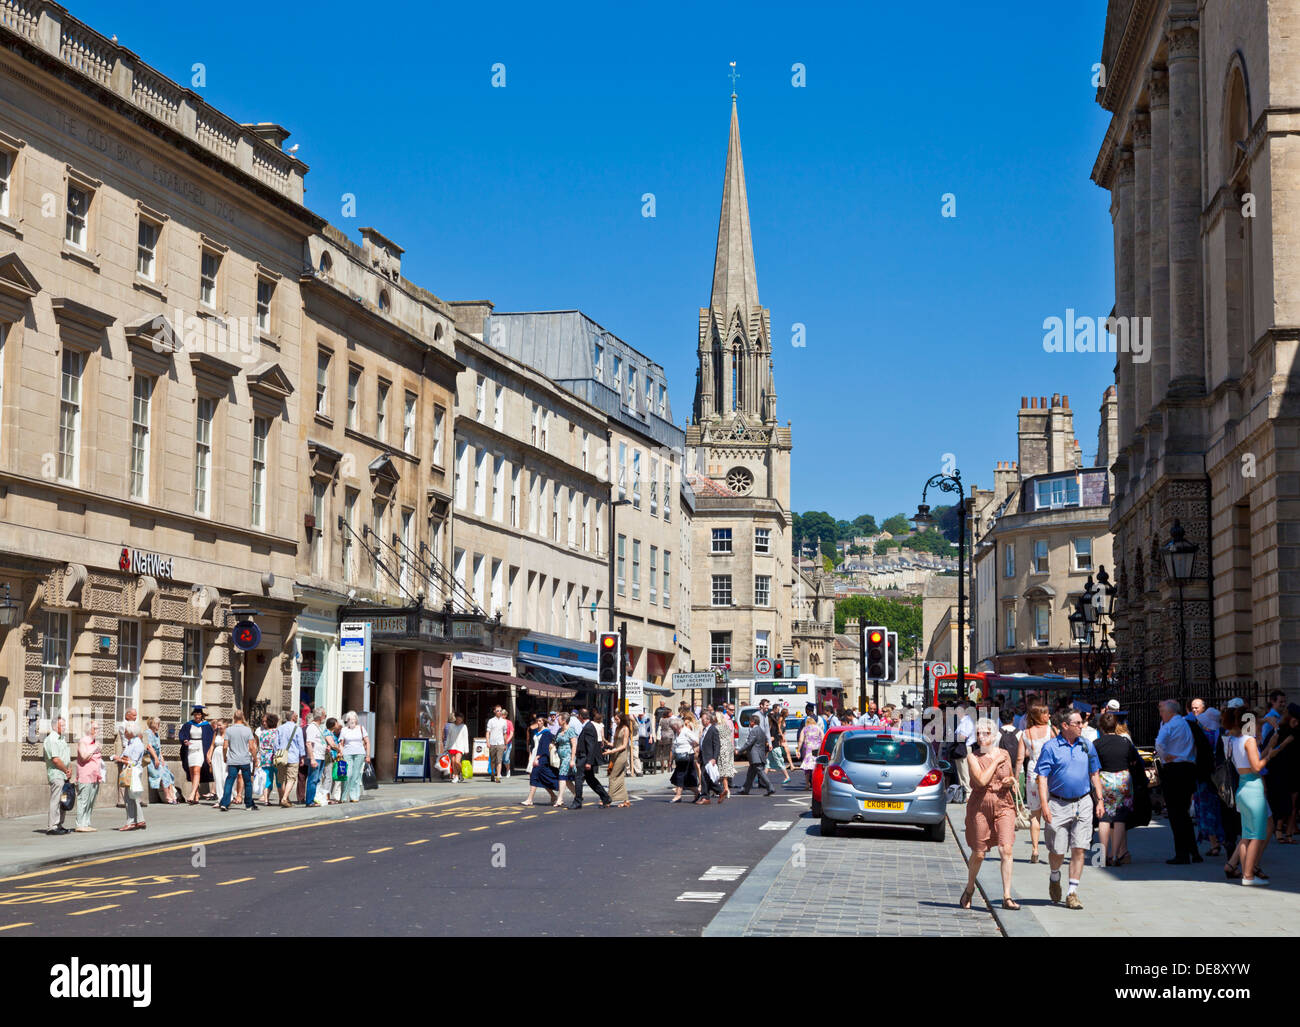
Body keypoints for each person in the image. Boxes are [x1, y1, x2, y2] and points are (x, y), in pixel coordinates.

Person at [1035, 710, 1103, 910]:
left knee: (1079, 847)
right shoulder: (1051, 747)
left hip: (1083, 802)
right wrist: (1044, 805)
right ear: (1065, 726)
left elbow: (1095, 773)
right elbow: (1042, 777)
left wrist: (1099, 800)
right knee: (1057, 850)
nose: (1082, 726)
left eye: (1082, 723)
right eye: (1078, 723)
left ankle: (1072, 892)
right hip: (1058, 803)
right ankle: (1055, 876)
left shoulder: (1087, 745)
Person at [1223, 704, 1293, 885]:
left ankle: (1247, 874)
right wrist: (1270, 754)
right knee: (1257, 835)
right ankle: (1248, 875)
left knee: (1247, 835)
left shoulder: (1235, 739)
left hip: (1242, 787)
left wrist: (1269, 746)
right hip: (1253, 787)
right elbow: (1257, 767)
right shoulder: (1249, 740)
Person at [961, 719, 1018, 911]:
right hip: (980, 805)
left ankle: (1007, 896)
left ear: (994, 736)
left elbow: (1009, 776)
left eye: (985, 733)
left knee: (1006, 849)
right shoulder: (973, 757)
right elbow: (982, 780)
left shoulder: (1005, 754)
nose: (980, 737)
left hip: (1004, 804)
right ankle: (969, 888)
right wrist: (994, 761)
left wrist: (1010, 781)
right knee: (979, 853)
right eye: (978, 733)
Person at [1155, 699, 1200, 864]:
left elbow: (1159, 743)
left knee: (1175, 814)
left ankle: (1182, 854)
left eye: (1162, 712)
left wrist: (1164, 755)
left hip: (1174, 770)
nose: (1161, 714)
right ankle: (1193, 851)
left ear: (1170, 712)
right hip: (1188, 768)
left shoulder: (1170, 725)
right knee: (1184, 812)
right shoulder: (1185, 723)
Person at [1093, 711, 1139, 866]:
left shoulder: (1097, 744)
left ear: (1101, 726)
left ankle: (1102, 856)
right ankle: (1116, 855)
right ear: (1116, 725)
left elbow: (1093, 765)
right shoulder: (1125, 742)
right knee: (1120, 817)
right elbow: (1133, 761)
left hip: (1104, 780)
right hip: (1122, 780)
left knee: (1104, 818)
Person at [1018, 702, 1055, 863]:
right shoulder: (1051, 731)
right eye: (1046, 713)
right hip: (1049, 773)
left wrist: (1015, 776)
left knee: (1035, 815)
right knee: (1050, 812)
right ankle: (1051, 846)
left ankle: (1034, 849)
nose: (1049, 716)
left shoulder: (1025, 733)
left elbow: (1020, 758)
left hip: (1033, 772)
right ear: (1039, 716)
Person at [1264, 703, 1299, 845]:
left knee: (1294, 803)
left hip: (1295, 770)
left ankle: (1289, 833)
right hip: (1279, 771)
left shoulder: (1297, 731)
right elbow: (1269, 749)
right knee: (1283, 801)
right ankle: (1279, 830)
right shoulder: (1279, 730)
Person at [1193, 705, 1225, 857]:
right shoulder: (1220, 733)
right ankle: (1221, 839)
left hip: (1203, 776)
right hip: (1219, 777)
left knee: (1206, 810)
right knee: (1218, 808)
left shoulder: (1202, 735)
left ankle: (1214, 843)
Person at [110, 721, 150, 830]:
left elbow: (133, 761)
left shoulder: (137, 744)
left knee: (130, 797)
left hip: (133, 772)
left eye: (126, 731)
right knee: (132, 797)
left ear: (132, 732)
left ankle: (131, 822)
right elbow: (127, 757)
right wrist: (122, 758)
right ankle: (139, 820)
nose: (125, 733)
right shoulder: (131, 742)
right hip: (130, 771)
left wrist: (119, 759)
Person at [217, 710, 258, 812]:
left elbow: (225, 746)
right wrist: (255, 758)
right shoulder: (247, 730)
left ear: (234, 717)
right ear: (242, 717)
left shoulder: (229, 730)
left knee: (229, 781)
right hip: (244, 759)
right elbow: (252, 747)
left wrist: (224, 756)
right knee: (248, 782)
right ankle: (248, 804)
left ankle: (225, 803)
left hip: (233, 760)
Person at [570, 709, 611, 809]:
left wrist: (588, 762)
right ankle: (605, 797)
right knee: (590, 779)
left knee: (578, 778)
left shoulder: (588, 727)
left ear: (580, 716)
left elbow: (591, 746)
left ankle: (578, 801)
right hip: (584, 757)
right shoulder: (587, 726)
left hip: (584, 758)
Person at [74, 719, 105, 832]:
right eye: (95, 728)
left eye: (98, 728)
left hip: (95, 775)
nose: (98, 730)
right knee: (83, 800)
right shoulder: (84, 741)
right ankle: (80, 824)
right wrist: (94, 747)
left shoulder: (95, 741)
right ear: (89, 729)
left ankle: (86, 823)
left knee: (91, 801)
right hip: (85, 776)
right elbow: (83, 756)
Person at [178, 705, 213, 803]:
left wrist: (209, 753)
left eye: (199, 714)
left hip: (201, 748)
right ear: (193, 715)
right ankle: (196, 794)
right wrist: (184, 740)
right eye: (196, 714)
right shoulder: (188, 724)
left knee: (197, 770)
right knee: (192, 771)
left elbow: (210, 739)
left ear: (202, 715)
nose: (197, 716)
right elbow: (182, 734)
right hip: (190, 748)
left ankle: (192, 793)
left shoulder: (206, 726)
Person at [43, 716, 71, 836]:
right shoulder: (52, 739)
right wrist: (66, 770)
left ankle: (59, 824)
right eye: (62, 725)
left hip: (64, 774)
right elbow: (55, 759)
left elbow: (64, 757)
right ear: (55, 726)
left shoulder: (61, 738)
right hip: (57, 774)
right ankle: (52, 826)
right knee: (56, 800)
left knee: (63, 800)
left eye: (65, 725)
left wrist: (68, 770)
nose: (64, 727)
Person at [522, 717, 558, 807]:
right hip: (534, 755)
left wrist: (537, 757)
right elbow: (533, 744)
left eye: (540, 721)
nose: (538, 722)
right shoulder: (536, 732)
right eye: (537, 721)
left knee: (534, 776)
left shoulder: (546, 733)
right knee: (541, 778)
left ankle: (529, 799)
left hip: (541, 757)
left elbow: (544, 747)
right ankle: (553, 796)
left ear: (544, 722)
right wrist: (531, 755)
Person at [275, 710, 305, 807]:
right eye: (296, 716)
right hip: (293, 757)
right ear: (293, 717)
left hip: (281, 756)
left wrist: (277, 752)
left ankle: (284, 798)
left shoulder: (280, 728)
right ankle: (284, 798)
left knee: (281, 779)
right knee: (291, 778)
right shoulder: (297, 729)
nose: (297, 718)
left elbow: (275, 743)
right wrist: (302, 756)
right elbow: (301, 744)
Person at [739, 714, 774, 795]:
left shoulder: (754, 731)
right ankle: (745, 789)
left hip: (755, 756)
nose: (749, 723)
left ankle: (770, 787)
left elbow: (749, 743)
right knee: (750, 774)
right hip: (759, 755)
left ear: (752, 722)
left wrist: (739, 751)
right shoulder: (761, 730)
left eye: (750, 721)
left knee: (760, 772)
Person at [339, 711, 371, 802]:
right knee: (347, 775)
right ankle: (343, 796)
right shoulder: (344, 730)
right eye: (349, 719)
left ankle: (354, 796)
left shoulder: (361, 728)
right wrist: (340, 752)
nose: (351, 721)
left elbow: (367, 742)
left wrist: (368, 755)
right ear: (347, 720)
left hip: (359, 753)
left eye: (353, 719)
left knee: (356, 775)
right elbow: (341, 743)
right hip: (347, 754)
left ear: (356, 720)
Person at [144, 716, 176, 804]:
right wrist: (155, 758)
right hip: (151, 759)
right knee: (162, 774)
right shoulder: (148, 733)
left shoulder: (157, 734)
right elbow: (149, 747)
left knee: (168, 774)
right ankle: (167, 796)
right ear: (153, 724)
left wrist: (161, 759)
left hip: (157, 758)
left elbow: (159, 748)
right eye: (158, 724)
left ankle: (172, 795)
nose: (159, 725)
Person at [606, 712, 634, 808]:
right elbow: (616, 743)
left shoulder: (625, 729)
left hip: (621, 754)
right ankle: (626, 800)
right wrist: (608, 744)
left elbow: (624, 745)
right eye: (615, 719)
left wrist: (612, 751)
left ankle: (608, 799)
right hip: (615, 753)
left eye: (617, 719)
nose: (615, 721)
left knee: (612, 777)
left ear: (622, 719)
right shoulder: (617, 728)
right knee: (620, 777)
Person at [669, 716, 700, 803]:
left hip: (687, 756)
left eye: (674, 727)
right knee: (687, 778)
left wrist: (692, 746)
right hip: (679, 757)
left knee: (680, 775)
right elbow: (674, 746)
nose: (674, 729)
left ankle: (678, 796)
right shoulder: (676, 733)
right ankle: (697, 793)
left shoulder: (686, 731)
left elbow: (696, 740)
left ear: (678, 725)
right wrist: (671, 759)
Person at [695, 711, 723, 805]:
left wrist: (714, 758)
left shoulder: (713, 729)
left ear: (708, 720)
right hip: (703, 757)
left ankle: (706, 796)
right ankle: (719, 792)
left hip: (709, 758)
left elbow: (717, 745)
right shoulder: (705, 729)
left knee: (704, 777)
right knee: (706, 778)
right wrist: (699, 757)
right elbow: (702, 744)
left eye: (703, 719)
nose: (702, 721)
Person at [305, 707, 328, 808]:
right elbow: (308, 743)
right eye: (325, 715)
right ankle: (309, 801)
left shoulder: (318, 727)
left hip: (321, 756)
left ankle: (314, 798)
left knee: (317, 779)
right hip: (316, 757)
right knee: (313, 779)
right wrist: (312, 758)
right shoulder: (312, 727)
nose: (325, 718)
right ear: (320, 717)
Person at [553, 714, 578, 807]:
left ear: (564, 720)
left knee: (562, 776)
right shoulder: (560, 730)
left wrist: (572, 760)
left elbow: (574, 745)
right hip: (561, 757)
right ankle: (577, 795)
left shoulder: (570, 730)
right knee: (566, 780)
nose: (557, 721)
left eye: (559, 719)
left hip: (568, 756)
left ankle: (560, 799)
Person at [953, 704, 976, 801]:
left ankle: (969, 793)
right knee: (960, 772)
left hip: (965, 748)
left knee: (965, 772)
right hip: (960, 747)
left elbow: (963, 737)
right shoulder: (962, 722)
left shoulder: (968, 722)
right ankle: (962, 793)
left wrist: (952, 738)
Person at [255, 713, 279, 804]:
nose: (264, 723)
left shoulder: (263, 733)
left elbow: (260, 746)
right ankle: (282, 798)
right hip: (274, 757)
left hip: (265, 758)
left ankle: (266, 799)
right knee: (278, 779)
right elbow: (276, 745)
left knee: (267, 779)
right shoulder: (276, 732)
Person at [798, 715, 823, 790]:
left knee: (807, 768)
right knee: (816, 766)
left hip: (808, 749)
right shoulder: (818, 728)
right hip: (817, 748)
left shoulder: (805, 729)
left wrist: (798, 750)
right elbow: (823, 737)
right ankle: (816, 783)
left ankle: (807, 784)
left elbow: (801, 740)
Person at [768, 709, 793, 784]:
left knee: (779, 759)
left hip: (776, 743)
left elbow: (778, 731)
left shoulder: (774, 725)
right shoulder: (776, 723)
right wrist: (781, 736)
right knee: (768, 762)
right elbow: (779, 729)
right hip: (777, 741)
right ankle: (760, 776)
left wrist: (783, 734)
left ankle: (788, 773)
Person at [485, 706, 509, 782]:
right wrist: (488, 742)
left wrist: (505, 744)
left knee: (499, 760)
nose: (499, 712)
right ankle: (492, 773)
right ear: (494, 711)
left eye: (500, 711)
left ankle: (498, 776)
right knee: (492, 761)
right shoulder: (491, 721)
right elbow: (488, 732)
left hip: (500, 743)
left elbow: (505, 733)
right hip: (492, 743)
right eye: (498, 711)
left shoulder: (504, 721)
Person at [716, 706, 735, 799]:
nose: (733, 711)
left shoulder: (717, 727)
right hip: (727, 748)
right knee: (723, 770)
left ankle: (725, 789)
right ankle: (720, 788)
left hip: (721, 749)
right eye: (731, 709)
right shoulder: (725, 725)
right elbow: (730, 736)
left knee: (722, 771)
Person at [445, 713, 469, 783]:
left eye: (461, 719)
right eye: (458, 719)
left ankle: (461, 772)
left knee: (457, 761)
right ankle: (456, 776)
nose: (459, 720)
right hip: (452, 746)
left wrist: (466, 749)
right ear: (456, 718)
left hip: (460, 746)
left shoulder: (464, 726)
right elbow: (448, 737)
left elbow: (465, 738)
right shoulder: (451, 726)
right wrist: (446, 747)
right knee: (453, 762)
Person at [207, 719, 226, 806]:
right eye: (217, 725)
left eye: (220, 725)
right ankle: (220, 798)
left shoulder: (228, 733)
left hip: (225, 756)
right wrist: (209, 755)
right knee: (217, 776)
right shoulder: (216, 733)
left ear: (225, 725)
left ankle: (227, 797)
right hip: (216, 755)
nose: (218, 727)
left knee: (224, 776)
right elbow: (212, 745)